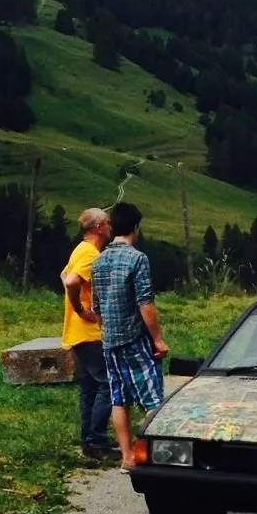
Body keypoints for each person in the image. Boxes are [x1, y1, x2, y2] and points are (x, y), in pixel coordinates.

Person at [91, 200, 169, 470]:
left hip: (109, 339)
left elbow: (97, 308)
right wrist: (157, 338)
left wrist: (107, 328)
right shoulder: (137, 258)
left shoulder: (98, 261)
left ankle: (127, 457)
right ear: (136, 227)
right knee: (153, 399)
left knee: (119, 398)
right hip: (135, 338)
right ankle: (159, 455)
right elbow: (145, 303)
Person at [61, 206, 113, 460]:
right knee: (108, 384)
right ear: (98, 227)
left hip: (78, 331)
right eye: (108, 223)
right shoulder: (91, 254)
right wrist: (82, 309)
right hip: (90, 331)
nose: (111, 227)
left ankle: (89, 440)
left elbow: (64, 275)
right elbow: (71, 281)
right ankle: (96, 440)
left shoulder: (81, 250)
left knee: (91, 386)